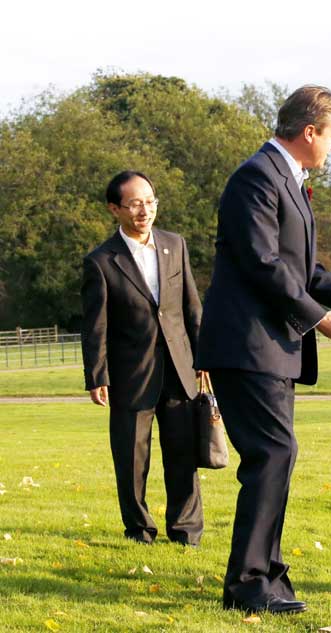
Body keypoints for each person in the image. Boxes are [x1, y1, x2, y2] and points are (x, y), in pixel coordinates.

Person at [196, 85, 331, 616]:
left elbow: (302, 270)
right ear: (309, 132)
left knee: (277, 457)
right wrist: (319, 317)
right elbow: (263, 265)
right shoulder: (256, 178)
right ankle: (248, 584)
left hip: (270, 348)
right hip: (247, 345)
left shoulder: (287, 180)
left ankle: (268, 574)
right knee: (272, 455)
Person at [81, 170, 204, 547]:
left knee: (183, 454)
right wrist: (97, 374)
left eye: (149, 201)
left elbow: (191, 307)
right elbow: (95, 324)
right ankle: (139, 529)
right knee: (132, 460)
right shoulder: (101, 261)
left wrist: (204, 358)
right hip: (130, 374)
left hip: (181, 369)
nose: (144, 210)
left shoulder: (174, 244)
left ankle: (186, 530)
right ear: (114, 208)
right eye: (134, 203)